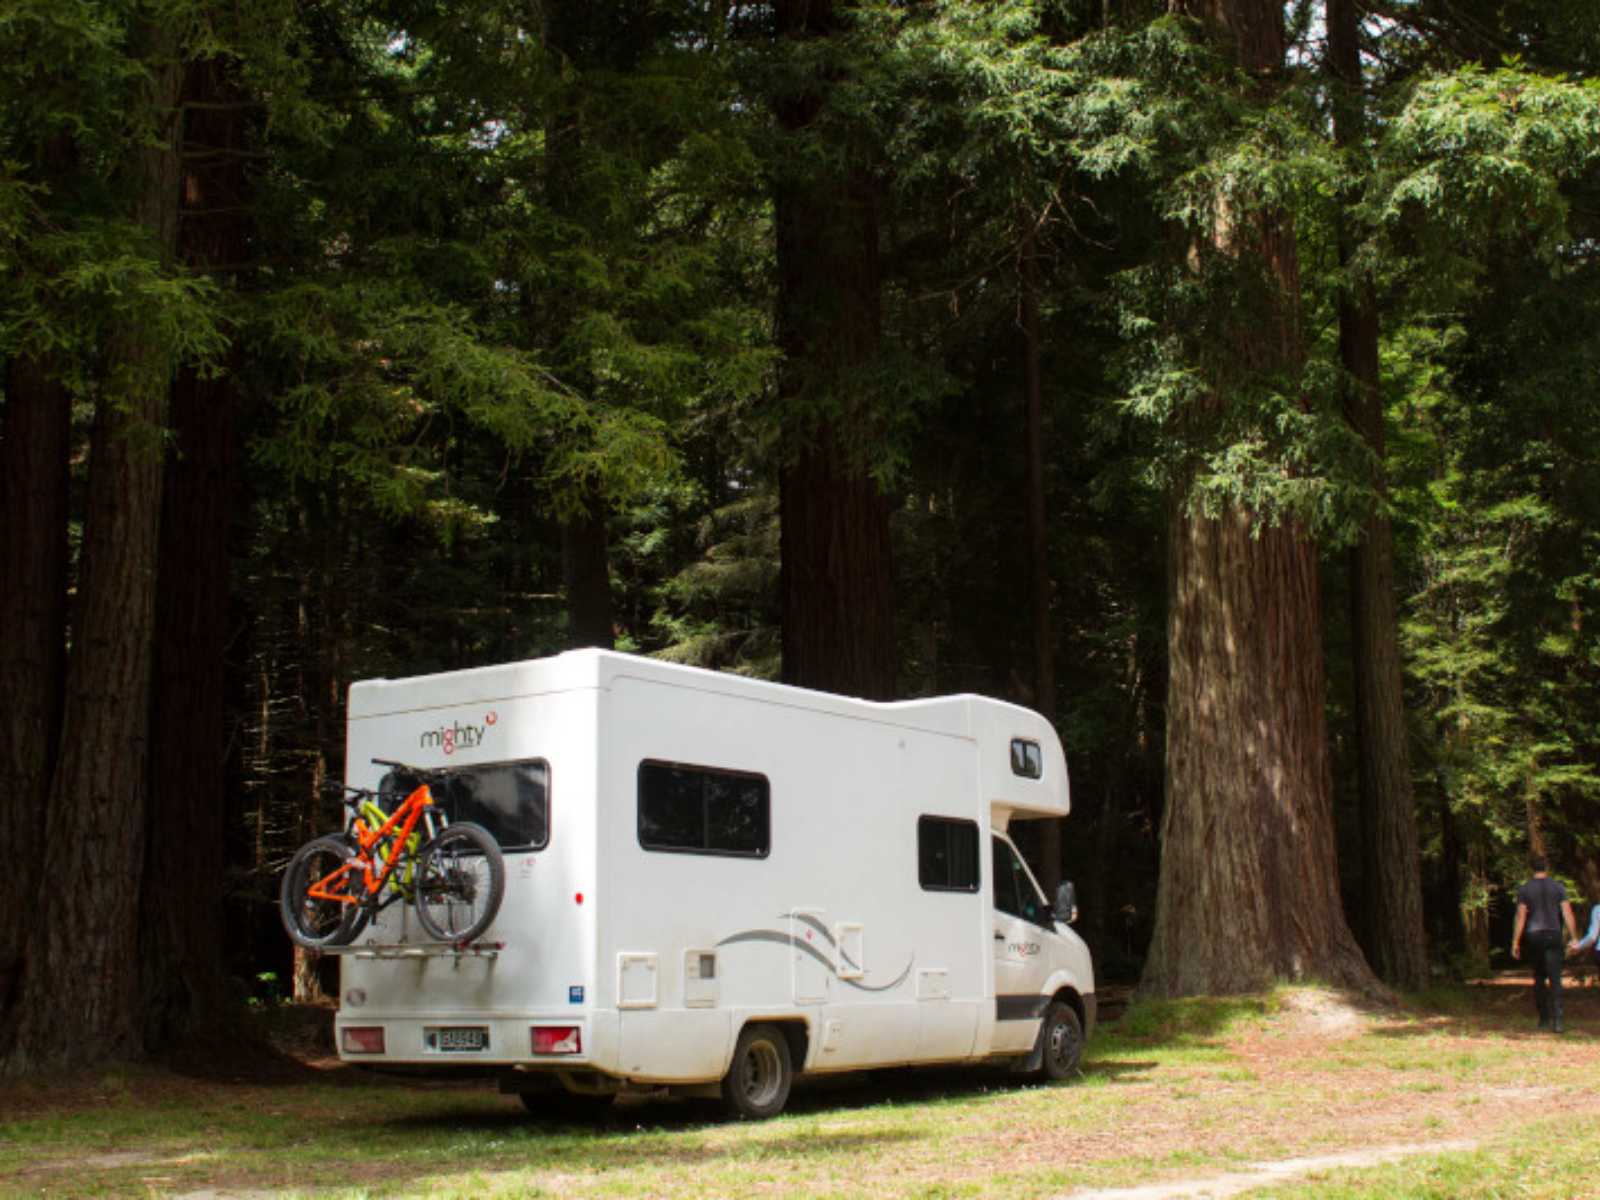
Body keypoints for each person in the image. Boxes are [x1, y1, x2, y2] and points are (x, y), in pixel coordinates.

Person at [1511, 855, 1579, 1033]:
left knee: (1539, 977)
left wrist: (1515, 941)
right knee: (1555, 978)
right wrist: (1574, 937)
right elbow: (1567, 912)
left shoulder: (1524, 889)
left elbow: (1521, 916)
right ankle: (1558, 1020)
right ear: (1547, 867)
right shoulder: (1558, 887)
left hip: (1534, 934)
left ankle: (1543, 1019)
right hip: (1553, 933)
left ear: (1531, 868)